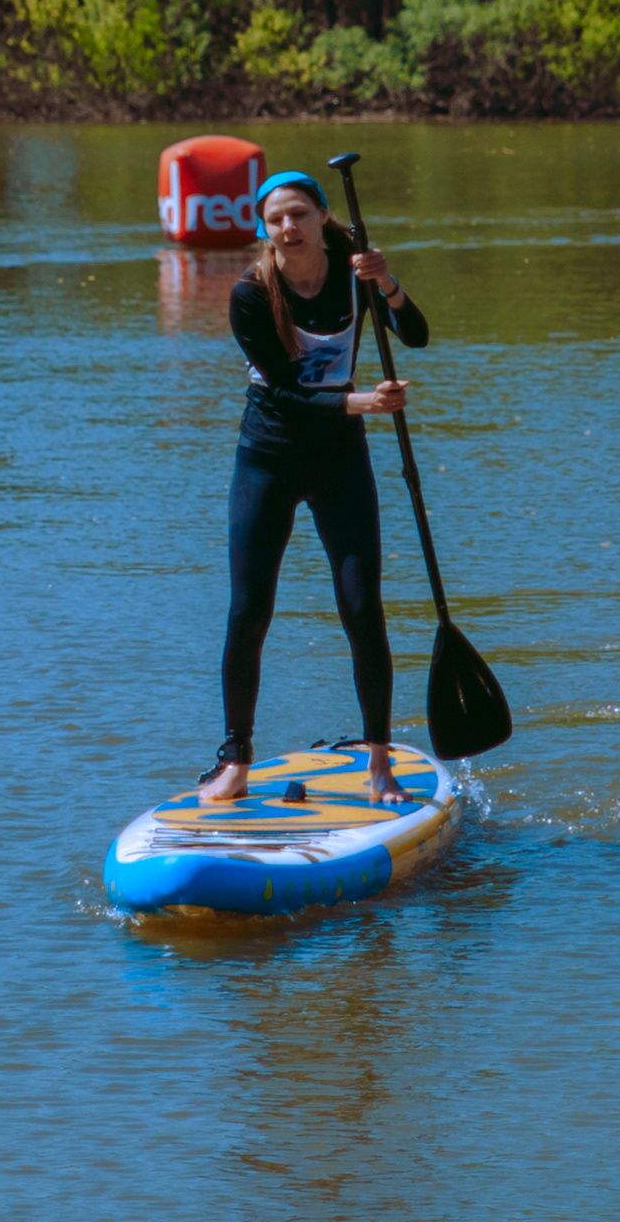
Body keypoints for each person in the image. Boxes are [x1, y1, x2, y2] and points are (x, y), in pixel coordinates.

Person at [201, 168, 428, 810]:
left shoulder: (356, 277)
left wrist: (387, 282)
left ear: (323, 217)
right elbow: (282, 393)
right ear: (264, 229)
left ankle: (380, 763)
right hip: (267, 457)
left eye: (299, 214)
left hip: (340, 462)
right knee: (249, 611)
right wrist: (362, 401)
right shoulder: (250, 293)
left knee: (362, 609)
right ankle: (234, 759)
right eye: (275, 219)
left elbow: (417, 335)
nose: (288, 228)